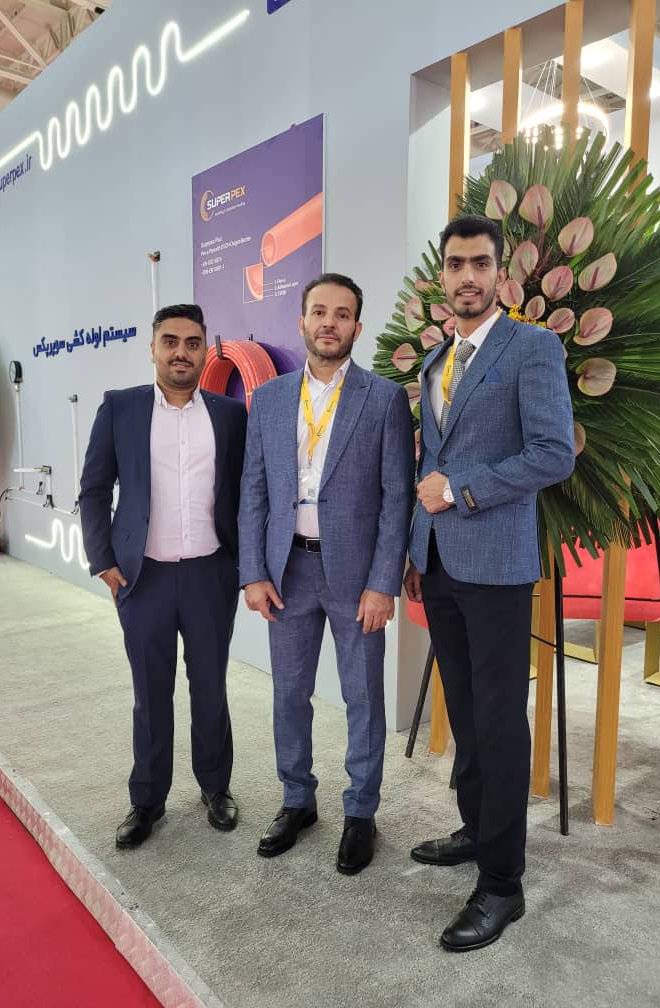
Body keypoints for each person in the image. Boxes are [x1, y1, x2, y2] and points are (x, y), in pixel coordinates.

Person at [404, 216, 575, 950]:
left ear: (501, 274)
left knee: (501, 722)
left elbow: (553, 453)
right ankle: (478, 830)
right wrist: (416, 549)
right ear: (442, 276)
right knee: (468, 713)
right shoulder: (435, 360)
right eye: (455, 264)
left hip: (498, 565)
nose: (467, 276)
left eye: (480, 263)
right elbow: (428, 462)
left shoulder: (532, 347)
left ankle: (504, 884)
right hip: (441, 564)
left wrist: (461, 490)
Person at [239, 272, 414, 874]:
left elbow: (398, 497)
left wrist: (384, 582)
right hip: (286, 570)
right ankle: (297, 800)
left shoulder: (384, 399)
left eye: (342, 314)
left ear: (357, 327)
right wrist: (252, 571)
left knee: (363, 697)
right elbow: (253, 490)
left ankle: (361, 811)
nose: (329, 323)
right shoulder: (269, 399)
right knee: (289, 693)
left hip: (356, 577)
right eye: (319, 312)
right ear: (302, 321)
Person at [79, 303, 247, 849]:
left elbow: (246, 492)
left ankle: (215, 787)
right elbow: (94, 489)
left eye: (192, 343)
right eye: (170, 341)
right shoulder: (120, 407)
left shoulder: (229, 415)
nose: (181, 352)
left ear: (204, 351)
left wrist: (244, 565)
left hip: (209, 574)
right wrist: (103, 560)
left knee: (210, 686)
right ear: (153, 348)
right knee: (150, 692)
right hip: (142, 578)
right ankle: (147, 799)